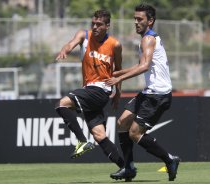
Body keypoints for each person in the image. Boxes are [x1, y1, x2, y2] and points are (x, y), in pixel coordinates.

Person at [105, 3, 180, 182]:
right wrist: (117, 73)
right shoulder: (146, 38)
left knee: (134, 133)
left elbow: (144, 66)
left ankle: (170, 159)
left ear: (150, 21)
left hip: (158, 96)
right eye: (135, 19)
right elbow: (141, 66)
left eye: (140, 19)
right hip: (149, 93)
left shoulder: (148, 39)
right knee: (122, 122)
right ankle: (129, 168)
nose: (136, 22)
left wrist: (119, 79)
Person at [55, 9, 125, 170]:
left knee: (61, 104)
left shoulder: (115, 45)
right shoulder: (84, 35)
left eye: (99, 24)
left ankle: (81, 141)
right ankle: (125, 168)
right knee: (99, 134)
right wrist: (65, 50)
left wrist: (118, 93)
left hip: (101, 90)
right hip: (90, 90)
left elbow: (119, 70)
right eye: (93, 23)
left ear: (107, 26)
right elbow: (70, 43)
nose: (95, 27)